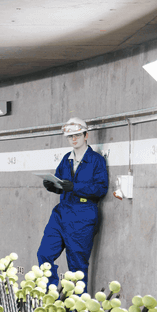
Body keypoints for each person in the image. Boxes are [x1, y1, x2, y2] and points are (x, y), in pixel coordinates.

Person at [37, 117, 109, 291]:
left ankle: (76, 310)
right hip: (61, 212)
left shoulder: (96, 160)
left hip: (83, 214)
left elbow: (101, 189)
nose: (74, 139)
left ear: (86, 135)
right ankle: (51, 294)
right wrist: (52, 187)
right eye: (70, 137)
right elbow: (61, 185)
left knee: (77, 265)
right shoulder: (66, 159)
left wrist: (75, 187)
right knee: (44, 253)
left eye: (77, 135)